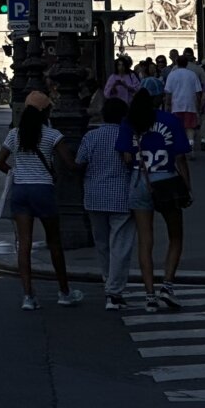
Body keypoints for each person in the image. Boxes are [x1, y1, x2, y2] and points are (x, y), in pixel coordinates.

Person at [0, 93, 83, 310]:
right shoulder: (53, 135)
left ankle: (28, 296)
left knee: (24, 245)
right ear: (45, 112)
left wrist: (14, 172)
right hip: (43, 190)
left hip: (21, 190)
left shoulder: (15, 135)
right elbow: (70, 165)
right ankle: (64, 292)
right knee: (54, 242)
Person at [115, 89, 192, 312]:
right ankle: (167, 285)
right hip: (167, 179)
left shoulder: (129, 122)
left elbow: (125, 156)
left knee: (145, 240)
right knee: (175, 235)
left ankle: (149, 295)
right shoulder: (170, 121)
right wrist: (187, 185)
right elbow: (180, 157)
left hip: (140, 180)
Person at [76, 97, 139, 311]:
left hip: (94, 195)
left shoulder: (91, 136)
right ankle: (114, 291)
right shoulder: (128, 136)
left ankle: (108, 281)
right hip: (122, 195)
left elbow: (80, 162)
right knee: (120, 245)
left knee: (102, 244)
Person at [164, 53, 203, 157]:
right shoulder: (192, 74)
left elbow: (168, 92)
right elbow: (198, 92)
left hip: (176, 105)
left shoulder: (172, 74)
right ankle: (191, 145)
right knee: (190, 127)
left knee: (178, 127)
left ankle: (179, 148)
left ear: (176, 63)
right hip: (190, 105)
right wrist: (199, 105)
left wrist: (167, 104)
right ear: (187, 63)